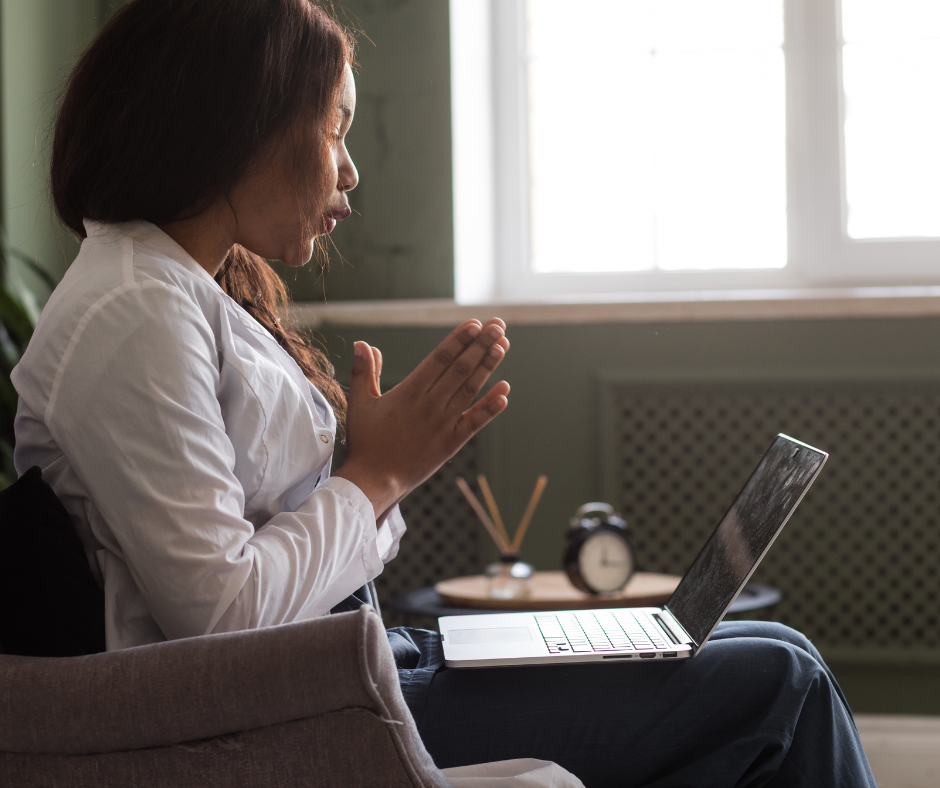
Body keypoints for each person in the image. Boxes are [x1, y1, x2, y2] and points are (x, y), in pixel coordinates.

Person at [11, 1, 876, 785]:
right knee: (783, 686)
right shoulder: (134, 309)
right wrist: (377, 475)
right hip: (273, 716)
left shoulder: (182, 292)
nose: (349, 173)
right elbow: (222, 621)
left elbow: (301, 549)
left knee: (775, 648)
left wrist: (368, 468)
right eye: (334, 129)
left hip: (355, 665)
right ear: (240, 124)